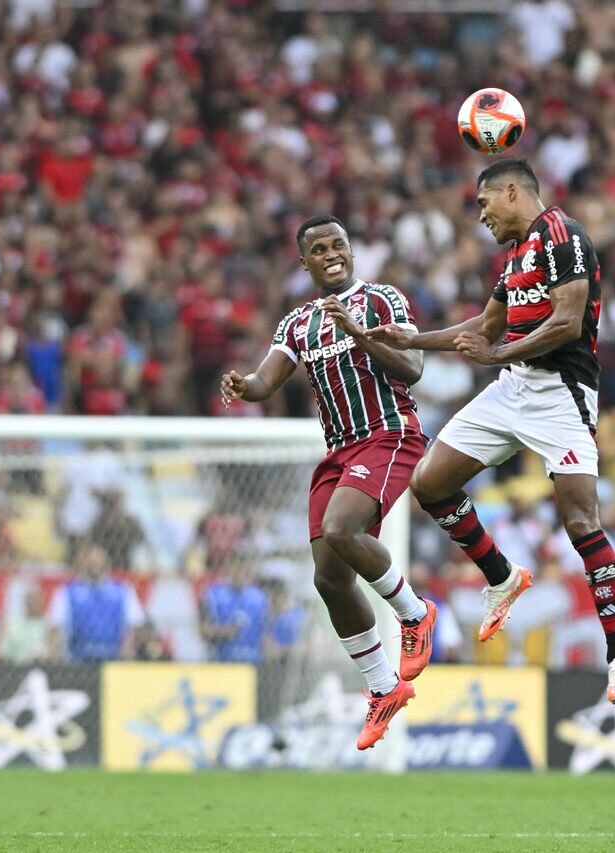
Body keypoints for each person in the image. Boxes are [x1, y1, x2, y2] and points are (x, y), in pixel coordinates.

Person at [365, 158, 615, 703]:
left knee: (581, 522)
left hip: (561, 393)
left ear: (512, 192)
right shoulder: (515, 256)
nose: (482, 216)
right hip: (513, 385)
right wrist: (409, 340)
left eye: (485, 204)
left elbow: (567, 320)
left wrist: (497, 353)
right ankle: (502, 576)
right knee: (430, 483)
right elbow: (483, 327)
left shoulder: (565, 235)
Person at [220, 214, 437, 750]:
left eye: (338, 244)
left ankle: (416, 613)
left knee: (342, 529)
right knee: (328, 578)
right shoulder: (298, 323)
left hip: (388, 434)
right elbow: (266, 382)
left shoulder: (383, 300)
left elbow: (412, 369)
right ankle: (383, 687)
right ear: (305, 262)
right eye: (319, 248)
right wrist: (242, 385)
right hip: (339, 451)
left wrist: (359, 334)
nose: (331, 253)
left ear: (351, 251)